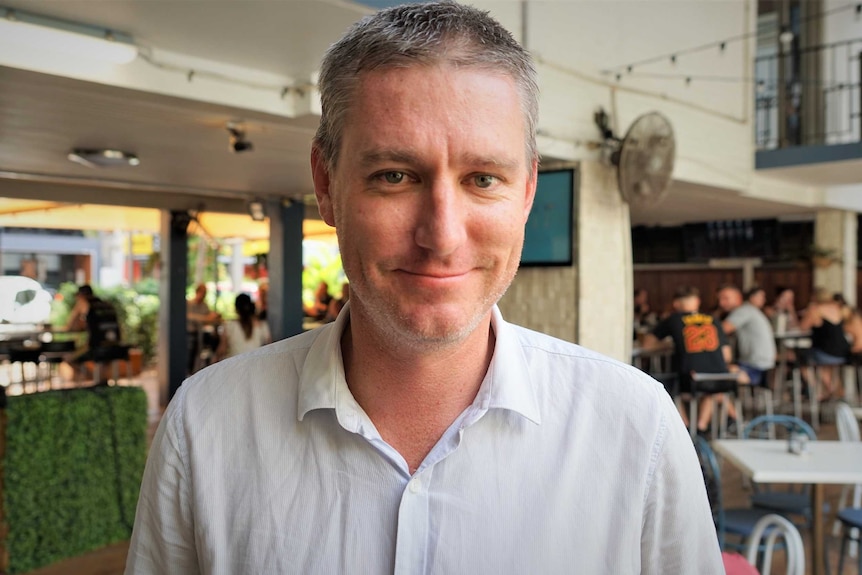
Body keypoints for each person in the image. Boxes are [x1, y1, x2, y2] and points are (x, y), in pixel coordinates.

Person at [126, 3, 722, 573]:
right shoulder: (206, 427)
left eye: (482, 178)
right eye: (394, 176)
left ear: (528, 192)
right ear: (326, 183)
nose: (441, 235)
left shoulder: (636, 430)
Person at [644, 285, 745, 436]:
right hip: (721, 380)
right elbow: (727, 356)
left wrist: (668, 345)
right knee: (710, 388)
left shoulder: (673, 319)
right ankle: (701, 427)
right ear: (697, 302)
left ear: (676, 304)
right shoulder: (714, 320)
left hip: (691, 379)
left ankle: (683, 426)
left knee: (665, 385)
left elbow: (647, 345)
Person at [718, 284, 776, 386]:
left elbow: (720, 331)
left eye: (726, 298)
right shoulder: (750, 310)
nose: (721, 303)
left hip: (755, 366)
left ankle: (723, 400)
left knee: (716, 371)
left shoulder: (743, 310)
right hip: (764, 364)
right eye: (719, 299)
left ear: (738, 297)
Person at [799, 287, 850, 400]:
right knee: (826, 367)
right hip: (842, 351)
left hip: (824, 351)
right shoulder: (838, 308)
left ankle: (818, 391)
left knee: (802, 361)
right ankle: (834, 392)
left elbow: (802, 327)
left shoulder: (815, 309)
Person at [217, 293, 271, 359]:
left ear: (236, 309)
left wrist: (213, 362)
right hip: (255, 365)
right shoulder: (262, 325)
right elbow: (270, 347)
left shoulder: (230, 326)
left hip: (235, 366)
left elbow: (222, 350)